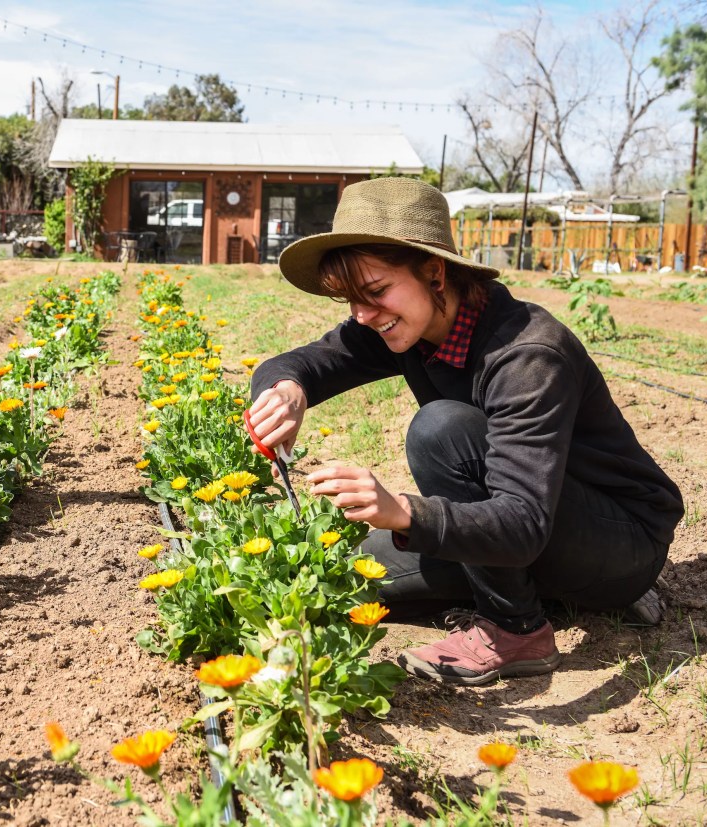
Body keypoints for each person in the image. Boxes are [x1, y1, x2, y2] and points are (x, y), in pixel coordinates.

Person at [247, 178, 683, 686]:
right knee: (344, 576)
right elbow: (305, 362)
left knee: (441, 430)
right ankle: (546, 594)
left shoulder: (527, 356)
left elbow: (522, 521)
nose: (363, 315)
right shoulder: (402, 324)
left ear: (434, 273)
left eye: (376, 292)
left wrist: (405, 511)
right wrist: (286, 389)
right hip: (521, 527)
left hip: (617, 540)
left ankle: (516, 629)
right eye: (349, 299)